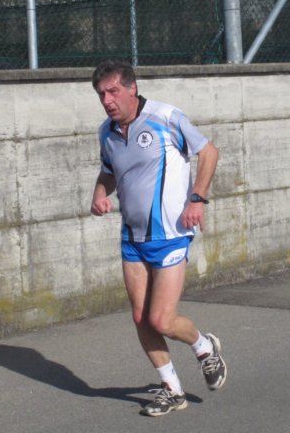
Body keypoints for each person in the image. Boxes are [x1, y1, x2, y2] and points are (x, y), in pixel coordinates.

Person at [90, 60, 226, 417]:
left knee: (162, 320)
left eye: (113, 91)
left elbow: (209, 152)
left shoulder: (166, 117)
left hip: (170, 236)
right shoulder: (107, 132)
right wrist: (100, 193)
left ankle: (204, 348)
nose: (107, 100)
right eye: (101, 94)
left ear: (132, 88)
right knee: (141, 318)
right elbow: (108, 172)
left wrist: (197, 198)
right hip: (132, 239)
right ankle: (172, 390)